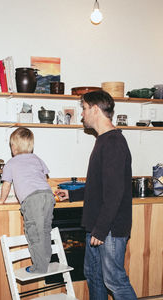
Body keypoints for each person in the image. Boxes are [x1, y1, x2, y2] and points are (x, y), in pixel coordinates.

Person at [56, 90, 137, 300]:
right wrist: (72, 195)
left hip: (108, 229)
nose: (82, 114)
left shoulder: (113, 143)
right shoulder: (103, 141)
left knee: (115, 281)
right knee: (94, 276)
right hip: (97, 227)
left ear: (94, 108)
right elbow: (99, 187)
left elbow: (114, 193)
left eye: (83, 109)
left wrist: (100, 231)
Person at [0, 127, 55, 273]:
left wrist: (2, 200)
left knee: (34, 232)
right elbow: (43, 177)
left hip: (32, 199)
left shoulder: (11, 163)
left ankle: (39, 267)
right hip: (48, 195)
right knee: (45, 230)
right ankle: (46, 262)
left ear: (13, 147)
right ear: (30, 146)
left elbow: (6, 184)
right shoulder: (37, 159)